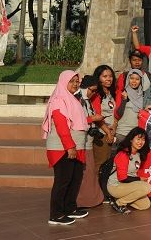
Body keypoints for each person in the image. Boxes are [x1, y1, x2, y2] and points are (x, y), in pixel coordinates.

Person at [43, 71, 102, 225]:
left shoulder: (72, 99)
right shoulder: (58, 100)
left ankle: (69, 209)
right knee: (63, 181)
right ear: (63, 82)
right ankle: (56, 215)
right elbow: (62, 126)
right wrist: (70, 147)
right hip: (62, 148)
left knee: (74, 179)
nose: (75, 84)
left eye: (77, 81)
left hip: (76, 146)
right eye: (72, 81)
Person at [76, 75, 106, 208]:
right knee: (86, 172)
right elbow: (77, 120)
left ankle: (90, 199)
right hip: (81, 141)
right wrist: (93, 118)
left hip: (88, 141)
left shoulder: (87, 100)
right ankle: (83, 201)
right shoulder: (78, 100)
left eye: (95, 91)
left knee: (89, 172)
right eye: (92, 90)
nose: (93, 93)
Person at [107, 127, 151, 214]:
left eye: (143, 140)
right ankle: (119, 203)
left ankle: (119, 199)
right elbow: (122, 178)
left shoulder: (138, 154)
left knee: (145, 205)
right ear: (131, 140)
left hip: (127, 185)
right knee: (146, 187)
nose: (140, 142)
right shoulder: (123, 154)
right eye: (138, 139)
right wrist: (140, 179)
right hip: (116, 186)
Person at [91, 65, 119, 167]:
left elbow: (115, 113)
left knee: (109, 165)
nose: (108, 79)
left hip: (112, 132)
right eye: (105, 76)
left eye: (110, 76)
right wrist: (108, 132)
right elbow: (97, 116)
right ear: (98, 78)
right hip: (102, 134)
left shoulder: (112, 93)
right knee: (100, 165)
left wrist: (114, 126)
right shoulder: (96, 94)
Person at [113, 69, 144, 148]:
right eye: (132, 78)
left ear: (141, 81)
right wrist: (124, 100)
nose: (134, 81)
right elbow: (118, 114)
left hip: (136, 134)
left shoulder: (143, 95)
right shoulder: (123, 93)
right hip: (122, 133)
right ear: (128, 79)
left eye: (137, 79)